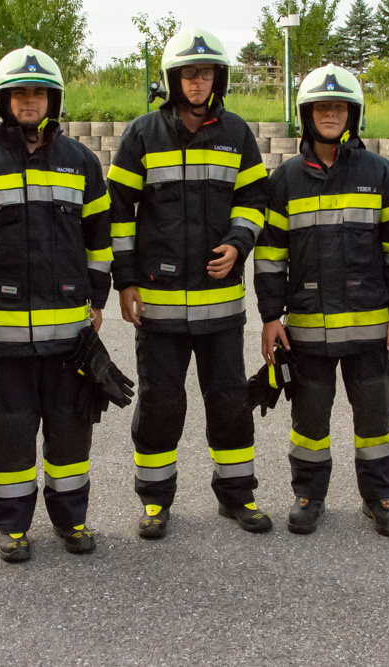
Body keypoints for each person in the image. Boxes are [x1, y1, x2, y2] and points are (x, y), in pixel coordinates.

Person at [0, 46, 117, 563]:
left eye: (39, 93)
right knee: (10, 431)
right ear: (2, 101)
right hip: (1, 336)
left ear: (54, 100)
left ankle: (71, 520)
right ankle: (12, 527)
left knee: (70, 430)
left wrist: (98, 299)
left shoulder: (81, 162)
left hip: (68, 337)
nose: (29, 101)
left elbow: (99, 239)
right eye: (19, 93)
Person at [107, 27, 272, 539]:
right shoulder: (142, 135)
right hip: (157, 307)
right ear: (172, 79)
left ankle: (237, 495)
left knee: (229, 401)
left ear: (218, 79)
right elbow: (118, 213)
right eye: (188, 73)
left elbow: (255, 201)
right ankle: (155, 501)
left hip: (220, 307)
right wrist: (125, 281)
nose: (197, 82)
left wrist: (238, 242)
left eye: (206, 73)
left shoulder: (237, 133)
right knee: (160, 402)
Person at [254, 64, 389, 537]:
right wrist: (270, 317)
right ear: (306, 115)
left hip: (370, 329)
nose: (330, 114)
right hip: (307, 330)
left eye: (339, 107)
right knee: (309, 420)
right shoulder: (285, 180)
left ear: (353, 115)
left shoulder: (381, 174)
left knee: (375, 420)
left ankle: (379, 496)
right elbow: (270, 257)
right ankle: (308, 495)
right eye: (322, 107)